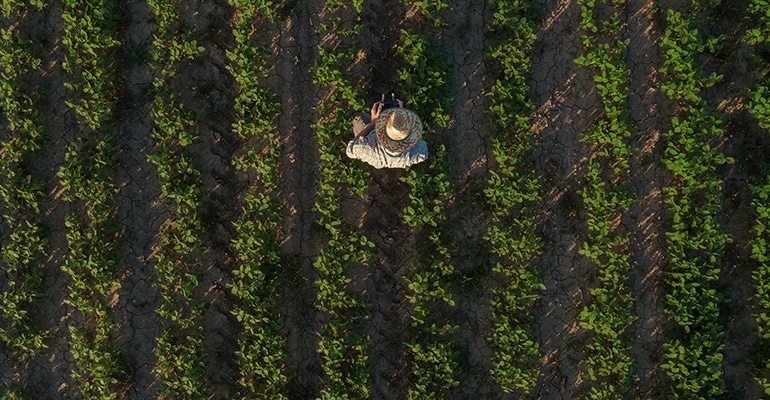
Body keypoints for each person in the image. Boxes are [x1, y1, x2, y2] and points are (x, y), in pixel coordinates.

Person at [346, 100, 428, 169]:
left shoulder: (369, 146)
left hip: (372, 146)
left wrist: (373, 122)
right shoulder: (417, 153)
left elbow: (350, 150)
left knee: (360, 118)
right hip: (378, 159)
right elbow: (424, 152)